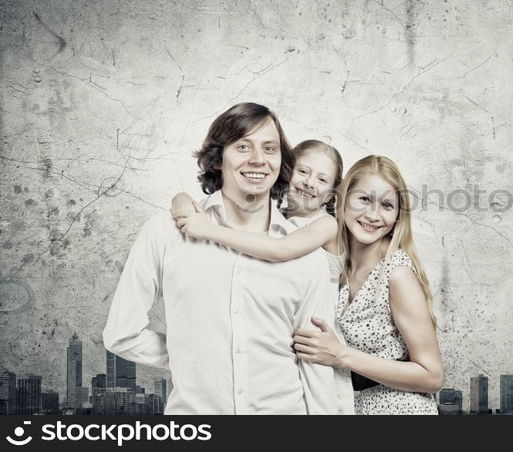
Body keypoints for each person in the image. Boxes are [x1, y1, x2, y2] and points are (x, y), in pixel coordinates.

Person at [102, 102, 337, 414]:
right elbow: (122, 334)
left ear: (282, 163)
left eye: (270, 148)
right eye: (243, 146)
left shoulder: (307, 257)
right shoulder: (165, 233)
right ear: (217, 159)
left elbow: (315, 363)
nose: (258, 159)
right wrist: (194, 357)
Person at [175, 154, 443, 414]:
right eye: (363, 200)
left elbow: (432, 376)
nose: (373, 215)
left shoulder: (396, 274)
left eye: (386, 206)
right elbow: (272, 235)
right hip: (350, 407)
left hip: (401, 410)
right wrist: (182, 201)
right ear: (342, 198)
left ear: (398, 215)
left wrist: (341, 356)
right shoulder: (334, 257)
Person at [171, 139, 355, 414]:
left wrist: (207, 229)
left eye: (322, 179)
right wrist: (181, 201)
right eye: (303, 172)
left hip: (314, 336)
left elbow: (279, 250)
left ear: (330, 195)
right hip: (276, 332)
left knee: (321, 404)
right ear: (286, 171)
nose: (309, 183)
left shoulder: (326, 225)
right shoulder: (267, 216)